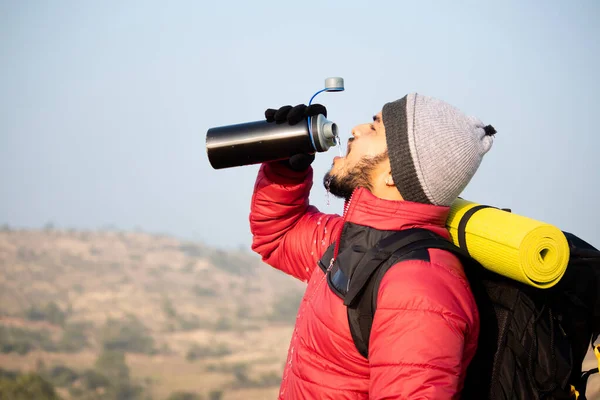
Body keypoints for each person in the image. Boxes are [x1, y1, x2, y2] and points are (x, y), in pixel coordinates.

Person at [250, 93, 496, 399]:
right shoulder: (353, 240)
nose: (356, 129)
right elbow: (279, 235)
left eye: (375, 128)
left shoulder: (418, 286)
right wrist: (286, 167)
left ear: (394, 175)